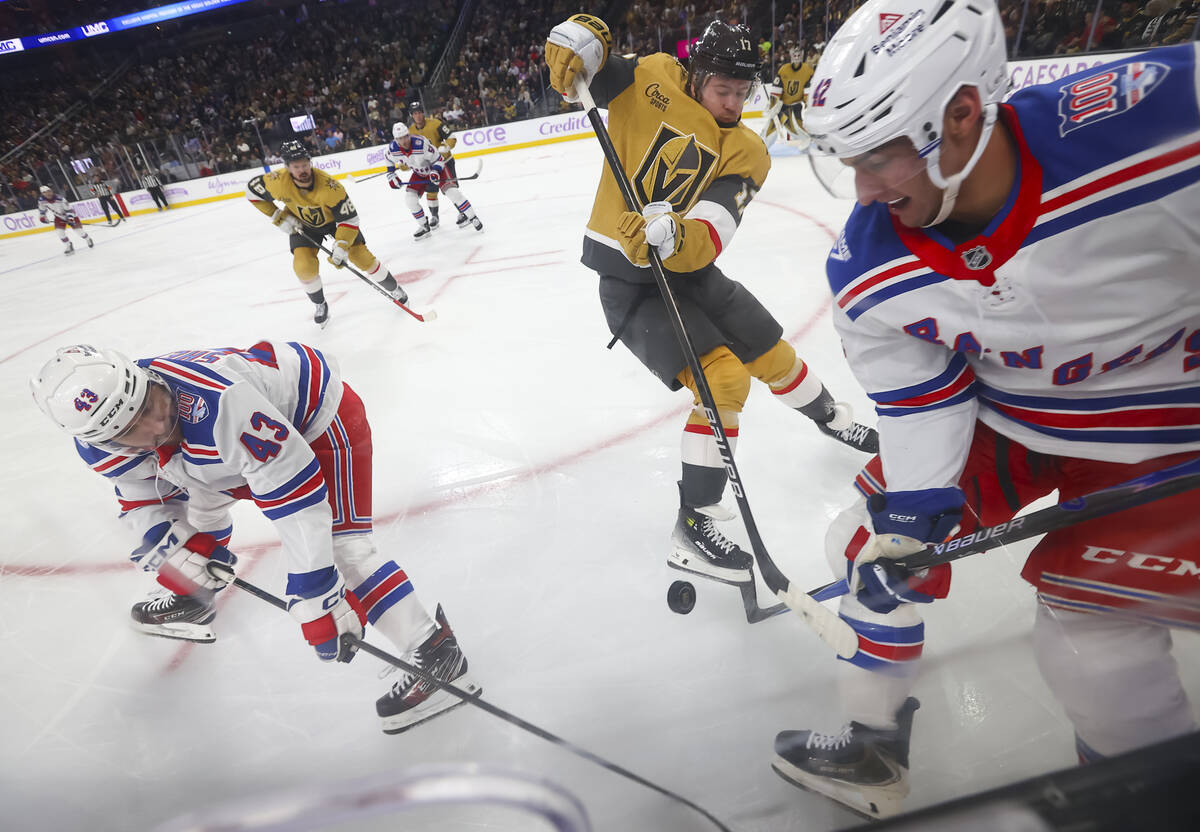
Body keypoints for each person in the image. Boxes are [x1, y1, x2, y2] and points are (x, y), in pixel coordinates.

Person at [771, 0, 1200, 818]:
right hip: (1014, 418)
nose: (862, 192)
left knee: (1089, 648)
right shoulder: (867, 270)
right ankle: (870, 748)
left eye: (880, 156)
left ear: (961, 115)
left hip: (1168, 425)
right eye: (849, 161)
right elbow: (921, 392)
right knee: (866, 549)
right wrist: (920, 512)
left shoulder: (1166, 127)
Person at [544, 15, 879, 588]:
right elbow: (590, 70)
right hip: (628, 284)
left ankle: (829, 417)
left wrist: (678, 236)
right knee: (724, 381)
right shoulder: (649, 79)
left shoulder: (747, 149)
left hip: (690, 271)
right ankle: (693, 523)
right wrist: (580, 42)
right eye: (723, 89)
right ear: (697, 74)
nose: (733, 102)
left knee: (772, 351)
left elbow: (714, 226)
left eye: (743, 92)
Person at [29, 341, 481, 735]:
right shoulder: (99, 438)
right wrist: (171, 546)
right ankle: (195, 591)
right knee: (193, 515)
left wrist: (316, 591)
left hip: (315, 419)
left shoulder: (221, 404)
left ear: (144, 380)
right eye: (131, 431)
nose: (154, 428)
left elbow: (298, 499)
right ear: (103, 441)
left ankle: (438, 654)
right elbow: (142, 497)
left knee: (345, 548)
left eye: (149, 405)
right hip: (233, 438)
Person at [246, 140, 408, 327]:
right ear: (287, 167)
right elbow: (251, 192)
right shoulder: (276, 182)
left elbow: (349, 219)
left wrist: (341, 245)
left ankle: (394, 288)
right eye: (296, 166)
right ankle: (320, 304)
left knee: (361, 257)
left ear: (310, 162)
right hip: (302, 223)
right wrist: (276, 215)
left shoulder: (330, 187)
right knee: (303, 267)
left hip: (334, 223)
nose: (302, 170)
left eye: (305, 164)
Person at [385, 121, 483, 240]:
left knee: (453, 193)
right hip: (419, 173)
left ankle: (473, 217)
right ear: (396, 139)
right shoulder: (392, 149)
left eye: (406, 136)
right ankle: (424, 227)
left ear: (409, 134)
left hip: (437, 169)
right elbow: (388, 161)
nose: (404, 141)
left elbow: (439, 159)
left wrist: (435, 171)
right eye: (400, 138)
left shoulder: (420, 143)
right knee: (410, 200)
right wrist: (391, 176)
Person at [408, 99, 469, 229]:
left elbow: (451, 137)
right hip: (428, 168)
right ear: (411, 116)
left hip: (445, 162)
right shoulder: (410, 132)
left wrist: (446, 146)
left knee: (451, 189)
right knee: (431, 192)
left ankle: (463, 212)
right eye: (414, 113)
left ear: (422, 113)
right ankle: (434, 217)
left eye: (419, 112)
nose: (417, 115)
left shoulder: (436, 124)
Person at [764, 43, 813, 146]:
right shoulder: (784, 69)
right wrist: (773, 105)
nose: (796, 57)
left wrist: (809, 106)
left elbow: (808, 92)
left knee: (800, 132)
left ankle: (811, 149)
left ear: (802, 55)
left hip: (796, 107)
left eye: (798, 55)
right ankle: (761, 148)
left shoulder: (808, 70)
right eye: (794, 55)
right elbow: (776, 89)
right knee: (769, 131)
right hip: (782, 108)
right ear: (791, 55)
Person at [36, 184, 93, 255]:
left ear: (51, 191)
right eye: (45, 192)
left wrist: (71, 219)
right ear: (42, 194)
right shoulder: (41, 201)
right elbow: (42, 210)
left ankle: (88, 239)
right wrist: (42, 217)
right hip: (59, 217)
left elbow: (69, 210)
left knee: (79, 231)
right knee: (60, 232)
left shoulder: (60, 199)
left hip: (71, 216)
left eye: (49, 191)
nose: (48, 193)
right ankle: (68, 245)